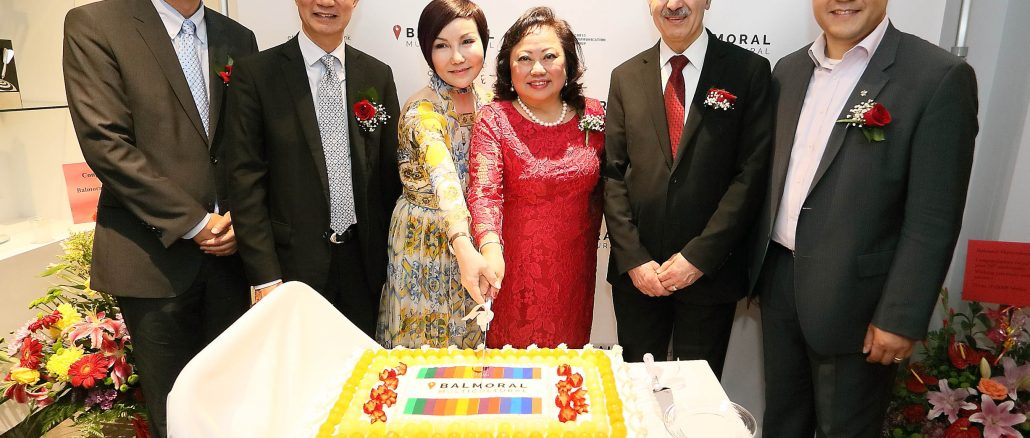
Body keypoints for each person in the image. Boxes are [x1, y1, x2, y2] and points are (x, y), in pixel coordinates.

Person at [749, 0, 978, 435]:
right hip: (780, 284)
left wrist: (900, 315)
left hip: (861, 307)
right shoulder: (788, 69)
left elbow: (934, 216)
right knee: (783, 423)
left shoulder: (937, 76)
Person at [62, 0, 257, 434]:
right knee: (177, 414)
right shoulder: (96, 23)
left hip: (230, 257)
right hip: (151, 259)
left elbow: (247, 144)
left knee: (233, 404)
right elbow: (105, 143)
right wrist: (196, 222)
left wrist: (242, 220)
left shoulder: (237, 37)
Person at [603, 0, 772, 376]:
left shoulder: (747, 71)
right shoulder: (625, 76)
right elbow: (613, 174)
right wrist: (634, 259)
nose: (674, 4)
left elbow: (751, 175)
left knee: (699, 401)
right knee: (636, 394)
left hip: (710, 275)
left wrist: (698, 258)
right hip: (638, 278)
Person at [223, 0, 401, 337]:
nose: (327, 2)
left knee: (362, 377)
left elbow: (388, 179)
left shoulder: (377, 75)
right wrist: (264, 276)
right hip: (290, 269)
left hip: (364, 267)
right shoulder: (258, 74)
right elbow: (245, 181)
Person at [466, 7, 605, 349]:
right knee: (516, 382)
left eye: (549, 56)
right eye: (525, 58)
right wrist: (490, 249)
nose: (538, 69)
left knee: (566, 379)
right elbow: (484, 194)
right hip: (513, 274)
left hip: (574, 274)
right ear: (508, 67)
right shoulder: (494, 118)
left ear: (568, 64)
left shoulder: (595, 115)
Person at [376, 0, 497, 349]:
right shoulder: (422, 110)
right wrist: (462, 244)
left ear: (484, 44)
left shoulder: (491, 102)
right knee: (425, 354)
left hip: (477, 237)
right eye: (441, 46)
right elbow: (445, 179)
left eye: (467, 42)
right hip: (425, 239)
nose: (457, 57)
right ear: (428, 52)